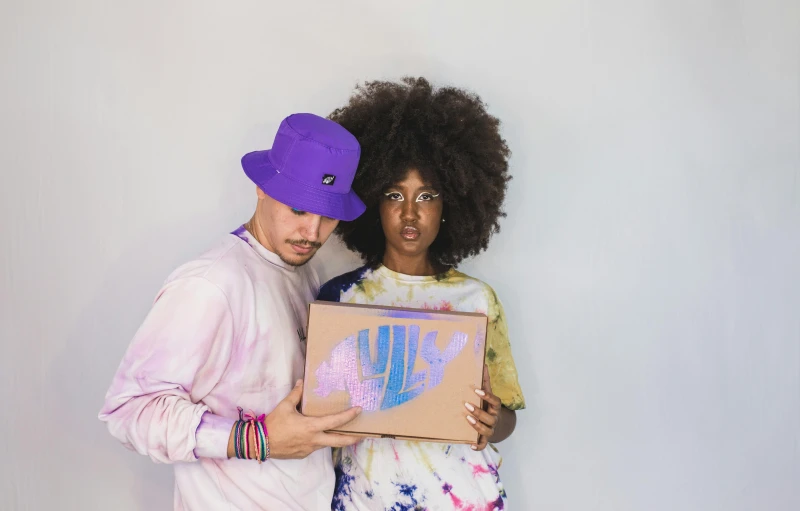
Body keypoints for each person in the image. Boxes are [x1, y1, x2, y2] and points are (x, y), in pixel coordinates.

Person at [99, 113, 368, 510]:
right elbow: (129, 411)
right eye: (298, 209)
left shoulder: (304, 269)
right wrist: (256, 439)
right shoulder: (210, 286)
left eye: (327, 215)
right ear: (263, 187)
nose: (312, 233)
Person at [318, 77, 526, 511]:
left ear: (450, 204)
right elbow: (318, 413)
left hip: (462, 496)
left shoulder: (477, 299)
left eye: (426, 196)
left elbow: (505, 418)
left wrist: (491, 421)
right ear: (374, 202)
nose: (409, 212)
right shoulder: (340, 298)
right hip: (367, 497)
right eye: (394, 195)